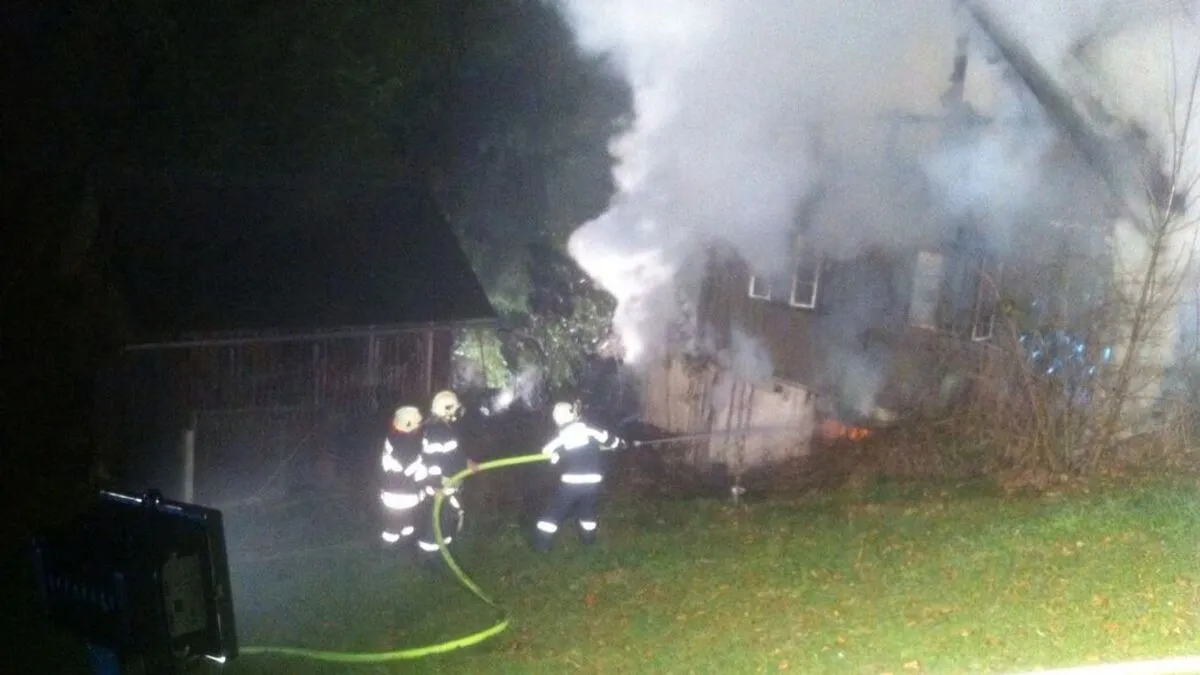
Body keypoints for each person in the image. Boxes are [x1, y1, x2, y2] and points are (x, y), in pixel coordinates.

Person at [534, 400, 623, 553]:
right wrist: (621, 444)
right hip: (593, 481)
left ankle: (542, 545)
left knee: (556, 511)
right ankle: (589, 541)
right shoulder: (590, 430)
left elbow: (546, 451)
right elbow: (611, 441)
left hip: (571, 482)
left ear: (556, 419)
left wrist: (554, 457)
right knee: (588, 510)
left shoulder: (562, 436)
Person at [414, 390, 478, 560]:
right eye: (455, 409)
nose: (458, 412)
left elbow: (453, 453)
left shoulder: (447, 429)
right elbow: (433, 463)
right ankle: (428, 558)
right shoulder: (436, 432)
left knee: (448, 520)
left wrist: (467, 462)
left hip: (450, 485)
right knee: (436, 521)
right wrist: (436, 488)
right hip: (440, 486)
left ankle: (444, 551)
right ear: (447, 410)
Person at [379, 406, 427, 551]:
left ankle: (389, 551)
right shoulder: (411, 446)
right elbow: (414, 470)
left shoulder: (391, 440)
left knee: (393, 523)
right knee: (404, 524)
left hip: (390, 491)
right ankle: (401, 550)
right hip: (406, 494)